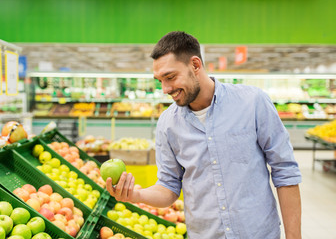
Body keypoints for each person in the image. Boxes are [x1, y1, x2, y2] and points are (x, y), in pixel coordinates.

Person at [105, 31, 302, 239]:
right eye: (160, 80)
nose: (165, 89)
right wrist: (136, 194)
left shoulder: (253, 102)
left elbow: (285, 171)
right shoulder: (167, 124)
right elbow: (169, 186)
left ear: (195, 65)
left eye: (170, 77)